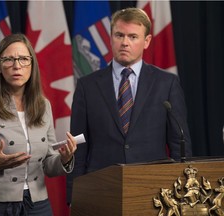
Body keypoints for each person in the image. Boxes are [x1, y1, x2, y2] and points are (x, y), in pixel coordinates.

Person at [66, 7, 192, 204]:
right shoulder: (86, 86)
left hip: (153, 191)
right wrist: (75, 195)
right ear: (111, 38)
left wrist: (182, 194)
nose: (125, 42)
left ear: (147, 41)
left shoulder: (166, 83)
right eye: (119, 35)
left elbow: (179, 145)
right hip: (101, 189)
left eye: (133, 37)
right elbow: (78, 148)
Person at [0, 33, 77, 216]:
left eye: (24, 59)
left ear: (32, 65)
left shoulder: (43, 105)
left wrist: (65, 159)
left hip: (37, 205)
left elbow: (49, 165)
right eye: (9, 59)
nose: (17, 66)